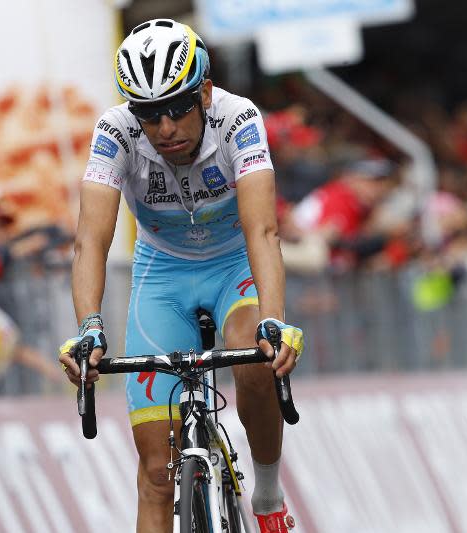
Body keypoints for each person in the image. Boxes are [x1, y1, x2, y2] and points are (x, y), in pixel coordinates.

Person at [57, 19, 304, 533]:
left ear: (205, 92)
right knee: (155, 472)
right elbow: (91, 242)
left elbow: (263, 232)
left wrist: (275, 321)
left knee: (255, 356)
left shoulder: (239, 120)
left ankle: (266, 494)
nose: (164, 127)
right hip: (163, 272)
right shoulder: (114, 131)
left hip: (234, 263)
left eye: (175, 109)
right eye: (149, 114)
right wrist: (88, 327)